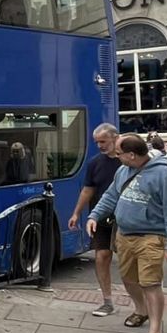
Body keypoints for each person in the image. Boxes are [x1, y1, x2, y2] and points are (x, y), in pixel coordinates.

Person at [87, 133, 167, 333]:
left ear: (131, 154)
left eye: (119, 153)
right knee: (129, 279)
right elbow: (111, 196)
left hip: (151, 236)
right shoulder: (123, 170)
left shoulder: (164, 175)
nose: (116, 156)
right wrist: (94, 216)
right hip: (124, 234)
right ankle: (141, 310)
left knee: (150, 283)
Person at [69, 123, 123, 316]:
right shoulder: (94, 163)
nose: (100, 145)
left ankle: (141, 302)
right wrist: (76, 213)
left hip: (126, 219)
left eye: (103, 141)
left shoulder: (128, 161)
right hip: (101, 216)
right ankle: (107, 301)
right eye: (97, 142)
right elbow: (88, 189)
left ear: (115, 138)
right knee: (101, 257)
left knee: (129, 262)